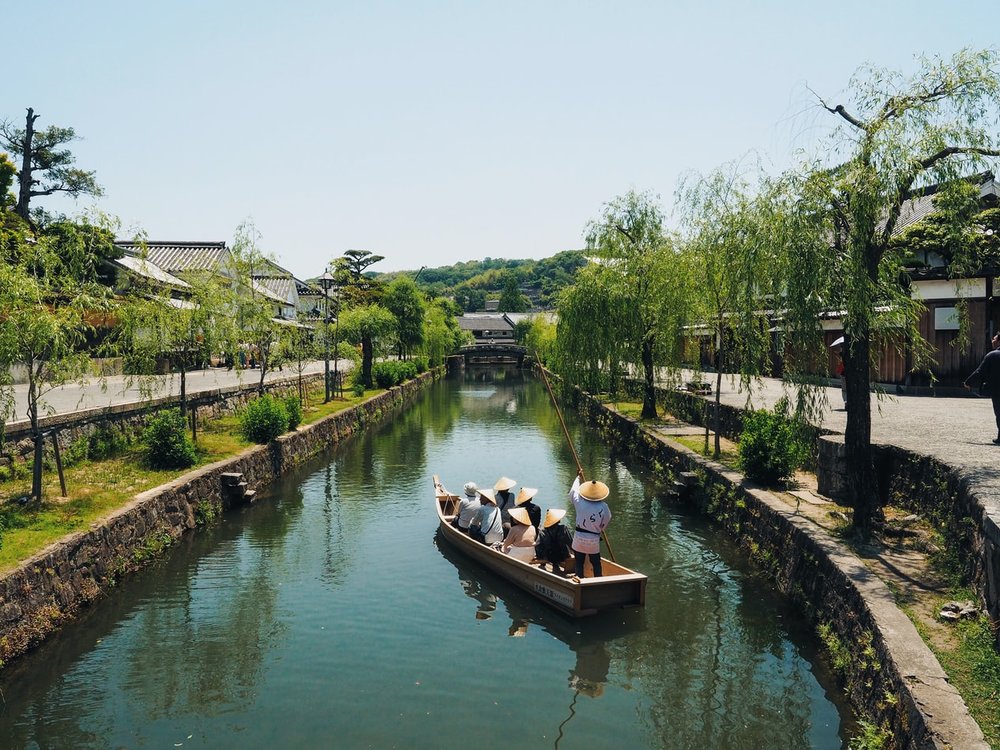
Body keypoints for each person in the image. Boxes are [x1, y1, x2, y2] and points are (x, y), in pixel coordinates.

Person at [568, 471, 611, 578]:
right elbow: (608, 518)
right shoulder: (603, 506)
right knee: (596, 562)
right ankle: (598, 580)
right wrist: (600, 528)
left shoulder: (579, 502)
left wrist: (577, 477)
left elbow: (573, 492)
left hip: (579, 538)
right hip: (593, 539)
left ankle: (579, 579)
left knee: (579, 561)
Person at [964, 332, 1000, 444]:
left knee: (999, 412)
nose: (992, 341)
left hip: (997, 390)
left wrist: (968, 382)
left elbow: (980, 372)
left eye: (994, 339)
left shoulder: (992, 355)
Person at [534, 508, 574, 575]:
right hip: (563, 555)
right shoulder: (563, 529)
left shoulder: (543, 531)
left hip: (548, 556)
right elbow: (570, 543)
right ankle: (556, 564)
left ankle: (546, 564)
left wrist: (540, 557)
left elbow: (538, 546)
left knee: (545, 549)